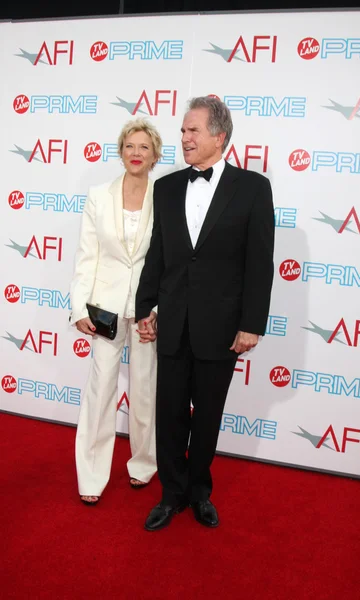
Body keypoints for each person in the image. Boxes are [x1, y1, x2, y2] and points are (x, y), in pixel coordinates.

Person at [135, 96, 275, 530]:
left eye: (192, 130)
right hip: (173, 321)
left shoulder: (253, 187)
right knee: (171, 416)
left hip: (221, 327)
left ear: (220, 136)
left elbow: (260, 262)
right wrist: (145, 307)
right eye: (182, 131)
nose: (184, 138)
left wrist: (252, 323)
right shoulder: (167, 187)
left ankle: (199, 492)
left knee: (209, 416)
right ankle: (171, 495)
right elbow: (158, 253)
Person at [70, 118, 163, 505]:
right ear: (121, 151)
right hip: (104, 308)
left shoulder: (167, 195)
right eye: (129, 146)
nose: (136, 153)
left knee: (144, 390)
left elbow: (167, 259)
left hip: (145, 309)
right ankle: (91, 476)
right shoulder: (98, 195)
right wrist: (79, 306)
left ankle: (143, 464)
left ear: (155, 154)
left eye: (143, 147)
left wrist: (156, 308)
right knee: (100, 388)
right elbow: (87, 255)